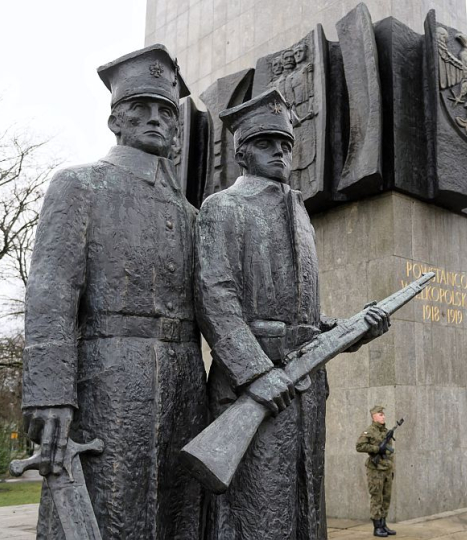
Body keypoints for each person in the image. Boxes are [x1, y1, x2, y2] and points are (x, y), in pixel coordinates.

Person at [21, 44, 206, 538]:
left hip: (186, 380)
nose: (154, 120)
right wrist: (50, 395)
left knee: (178, 515)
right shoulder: (77, 185)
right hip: (106, 376)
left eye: (165, 112)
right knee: (110, 512)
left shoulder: (192, 216)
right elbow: (51, 295)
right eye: (139, 110)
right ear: (115, 122)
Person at [195, 88, 389, 540]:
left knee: (305, 510)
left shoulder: (300, 214)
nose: (280, 152)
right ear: (243, 153)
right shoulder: (223, 207)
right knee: (258, 514)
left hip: (304, 389)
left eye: (285, 144)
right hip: (257, 386)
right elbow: (216, 300)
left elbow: (305, 316)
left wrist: (351, 330)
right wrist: (256, 373)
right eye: (267, 143)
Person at [356, 405, 397, 537]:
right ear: (374, 417)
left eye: (383, 414)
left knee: (386, 498)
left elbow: (390, 452)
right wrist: (376, 449)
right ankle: (377, 527)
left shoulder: (385, 431)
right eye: (380, 414)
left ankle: (384, 524)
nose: (383, 416)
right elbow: (359, 446)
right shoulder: (369, 431)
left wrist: (392, 468)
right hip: (375, 470)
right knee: (376, 498)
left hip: (387, 469)